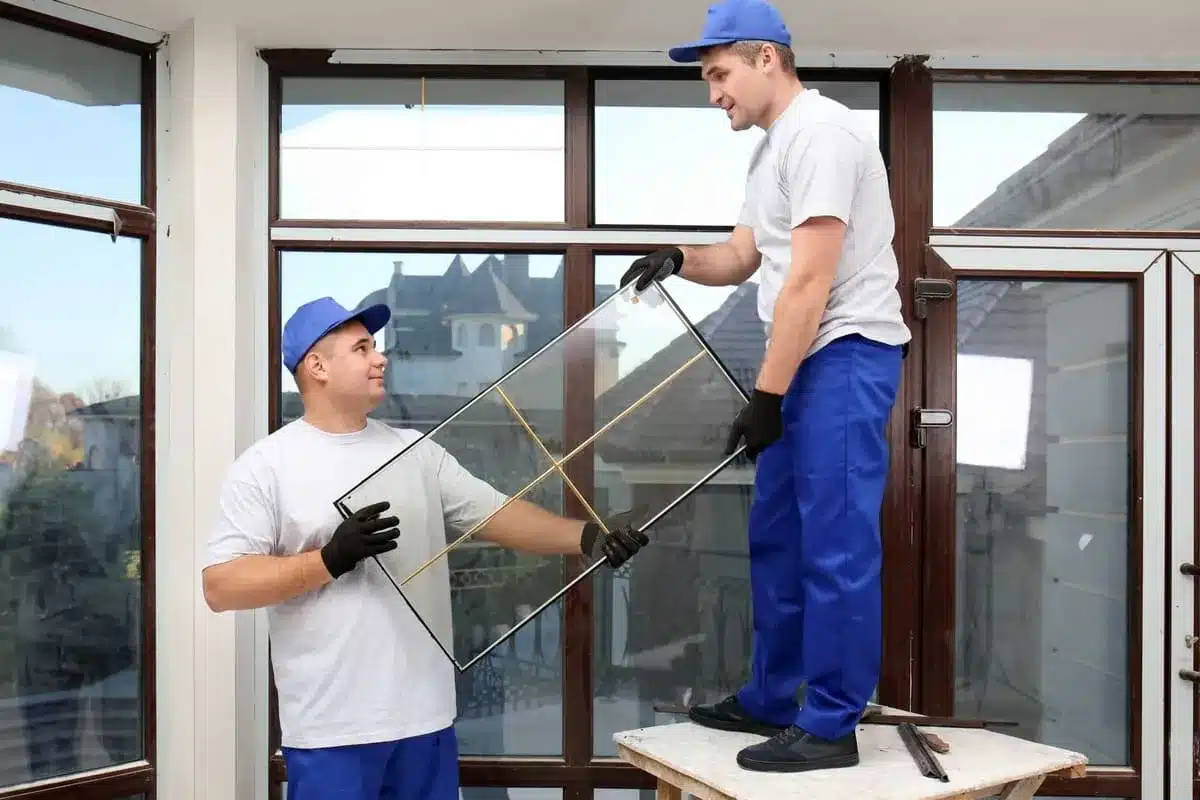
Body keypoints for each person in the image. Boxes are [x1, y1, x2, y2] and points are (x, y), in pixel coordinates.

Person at [201, 296, 649, 800]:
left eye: (376, 346)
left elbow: (495, 513)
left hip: (425, 719)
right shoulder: (267, 466)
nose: (380, 358)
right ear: (317, 365)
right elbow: (221, 586)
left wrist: (588, 537)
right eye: (362, 347)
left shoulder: (414, 451)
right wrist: (327, 560)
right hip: (333, 728)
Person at [619, 0, 911, 774]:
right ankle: (773, 696)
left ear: (766, 59)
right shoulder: (773, 149)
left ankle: (830, 723)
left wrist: (768, 397)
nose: (714, 93)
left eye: (719, 75)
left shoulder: (822, 133)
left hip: (845, 355)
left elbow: (810, 283)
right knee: (777, 535)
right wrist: (678, 257)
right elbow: (748, 256)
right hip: (804, 362)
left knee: (837, 544)